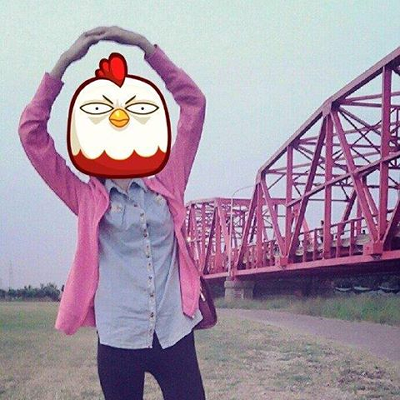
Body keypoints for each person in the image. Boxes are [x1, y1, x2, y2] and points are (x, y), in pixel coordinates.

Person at [18, 26, 207, 400]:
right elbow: (31, 133)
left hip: (174, 330)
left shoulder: (169, 180)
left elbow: (193, 104)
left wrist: (144, 47)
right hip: (119, 337)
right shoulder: (85, 197)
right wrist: (64, 62)